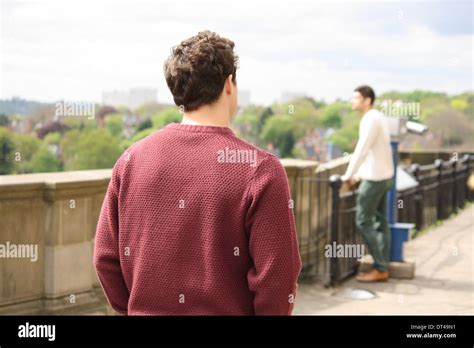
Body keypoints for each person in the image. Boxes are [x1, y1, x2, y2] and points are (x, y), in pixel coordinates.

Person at [93, 30, 302, 315]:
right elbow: (277, 281)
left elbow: (105, 259)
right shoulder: (261, 170)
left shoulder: (130, 160)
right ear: (229, 84)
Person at [341, 85, 394, 282]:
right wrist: (360, 173)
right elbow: (375, 152)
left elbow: (362, 149)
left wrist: (349, 174)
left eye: (356, 98)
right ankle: (383, 265)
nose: (353, 101)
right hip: (384, 176)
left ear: (367, 100)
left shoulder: (370, 118)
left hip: (375, 180)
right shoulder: (378, 117)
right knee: (380, 222)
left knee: (363, 220)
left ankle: (380, 267)